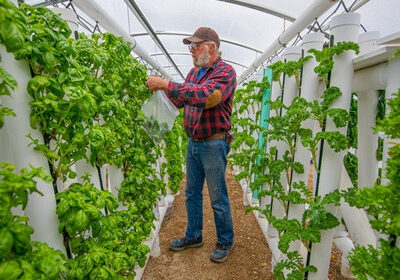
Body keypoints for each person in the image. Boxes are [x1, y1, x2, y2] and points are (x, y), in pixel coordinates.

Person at [146, 27, 236, 263]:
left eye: (195, 46)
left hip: (214, 144)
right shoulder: (193, 73)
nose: (192, 51)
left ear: (211, 47)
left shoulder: (225, 72)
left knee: (217, 197)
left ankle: (225, 240)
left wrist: (167, 84)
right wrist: (156, 96)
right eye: (190, 47)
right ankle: (194, 235)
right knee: (191, 193)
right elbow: (180, 99)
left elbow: (206, 95)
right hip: (193, 143)